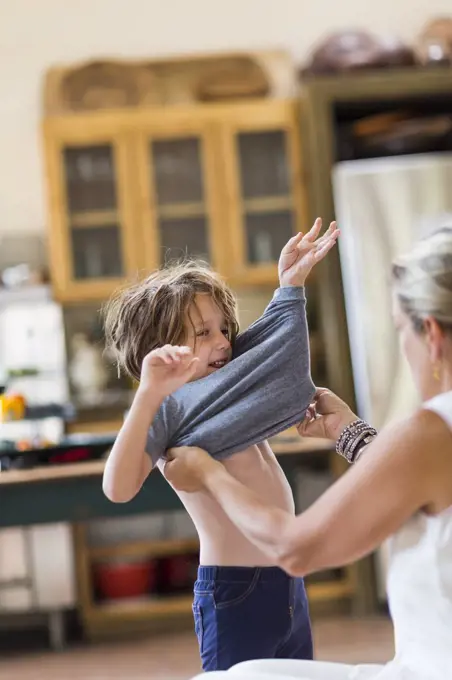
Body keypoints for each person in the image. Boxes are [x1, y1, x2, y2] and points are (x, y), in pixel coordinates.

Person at [165, 225, 452, 680]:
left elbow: (295, 549)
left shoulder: (431, 430)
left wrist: (209, 474)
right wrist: (348, 432)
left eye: (401, 330)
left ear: (432, 336)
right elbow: (414, 491)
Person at [102, 219, 339, 672]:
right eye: (203, 333)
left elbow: (272, 346)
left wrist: (290, 285)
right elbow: (117, 487)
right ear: (161, 347)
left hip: (288, 582)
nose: (223, 343)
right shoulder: (169, 407)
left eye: (223, 329)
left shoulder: (230, 386)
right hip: (234, 590)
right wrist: (148, 393)